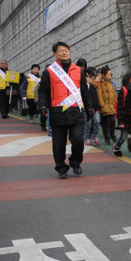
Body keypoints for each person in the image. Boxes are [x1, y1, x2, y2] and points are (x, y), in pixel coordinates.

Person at [37, 42, 92, 179]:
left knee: (79, 139)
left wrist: (89, 108)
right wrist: (42, 107)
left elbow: (84, 92)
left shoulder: (78, 70)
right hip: (57, 110)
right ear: (55, 53)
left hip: (75, 110)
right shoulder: (49, 71)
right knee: (58, 143)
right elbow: (43, 92)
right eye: (61, 50)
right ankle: (61, 167)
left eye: (66, 50)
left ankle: (75, 162)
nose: (64, 52)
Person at [98, 67, 117, 145]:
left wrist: (112, 103)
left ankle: (112, 135)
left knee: (113, 120)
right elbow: (99, 96)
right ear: (103, 75)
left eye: (110, 75)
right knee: (105, 123)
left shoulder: (111, 84)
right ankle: (107, 137)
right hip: (104, 107)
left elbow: (114, 95)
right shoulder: (100, 84)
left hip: (111, 106)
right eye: (108, 75)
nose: (110, 76)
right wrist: (102, 105)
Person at [84, 67, 101, 146]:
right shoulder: (87, 85)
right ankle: (87, 138)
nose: (99, 80)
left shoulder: (96, 86)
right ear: (93, 77)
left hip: (96, 108)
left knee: (97, 121)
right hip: (87, 108)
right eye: (98, 78)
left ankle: (95, 135)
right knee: (88, 124)